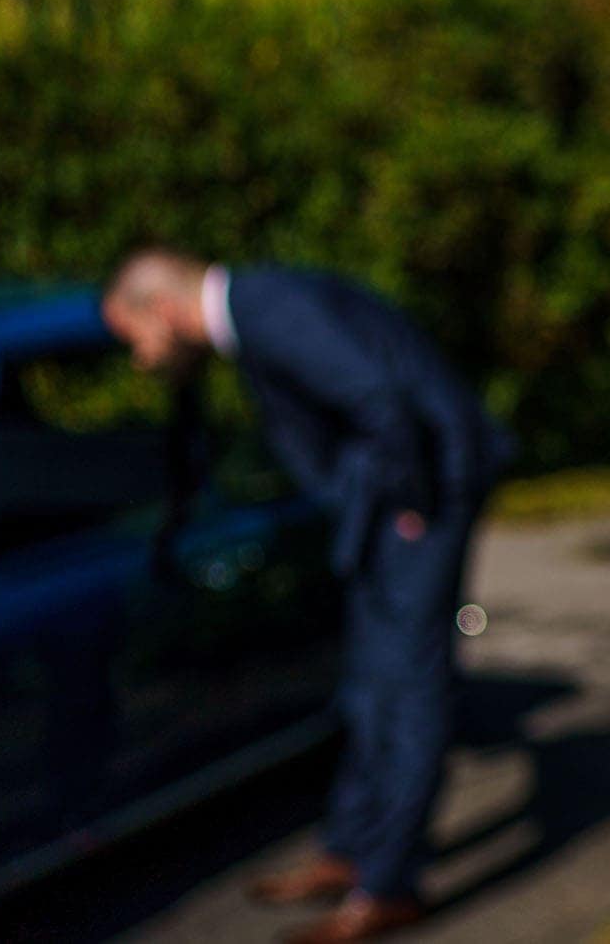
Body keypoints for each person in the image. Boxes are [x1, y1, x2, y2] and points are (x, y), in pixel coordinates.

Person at [102, 250, 514, 944]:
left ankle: (387, 886)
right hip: (387, 504)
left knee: (409, 689)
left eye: (134, 338)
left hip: (419, 500)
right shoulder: (255, 312)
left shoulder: (268, 309)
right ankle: (350, 848)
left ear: (162, 309)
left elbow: (379, 396)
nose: (140, 358)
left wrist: (410, 504)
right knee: (370, 682)